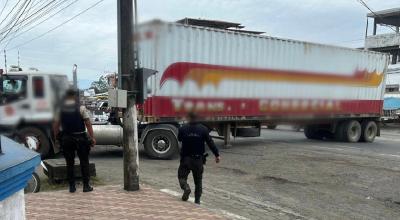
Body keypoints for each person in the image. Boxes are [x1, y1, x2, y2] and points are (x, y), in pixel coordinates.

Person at [53, 89, 96, 193]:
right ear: (75, 96)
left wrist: (56, 138)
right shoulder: (81, 108)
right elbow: (88, 123)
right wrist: (92, 137)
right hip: (81, 138)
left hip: (67, 138)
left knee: (69, 163)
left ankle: (72, 187)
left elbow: (56, 125)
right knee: (84, 162)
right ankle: (86, 186)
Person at [177, 112, 221, 205]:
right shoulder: (203, 129)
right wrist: (217, 155)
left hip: (186, 159)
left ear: (188, 118)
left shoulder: (182, 128)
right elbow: (210, 143)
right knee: (198, 181)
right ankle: (197, 201)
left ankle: (186, 188)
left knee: (181, 177)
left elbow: (179, 139)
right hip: (198, 160)